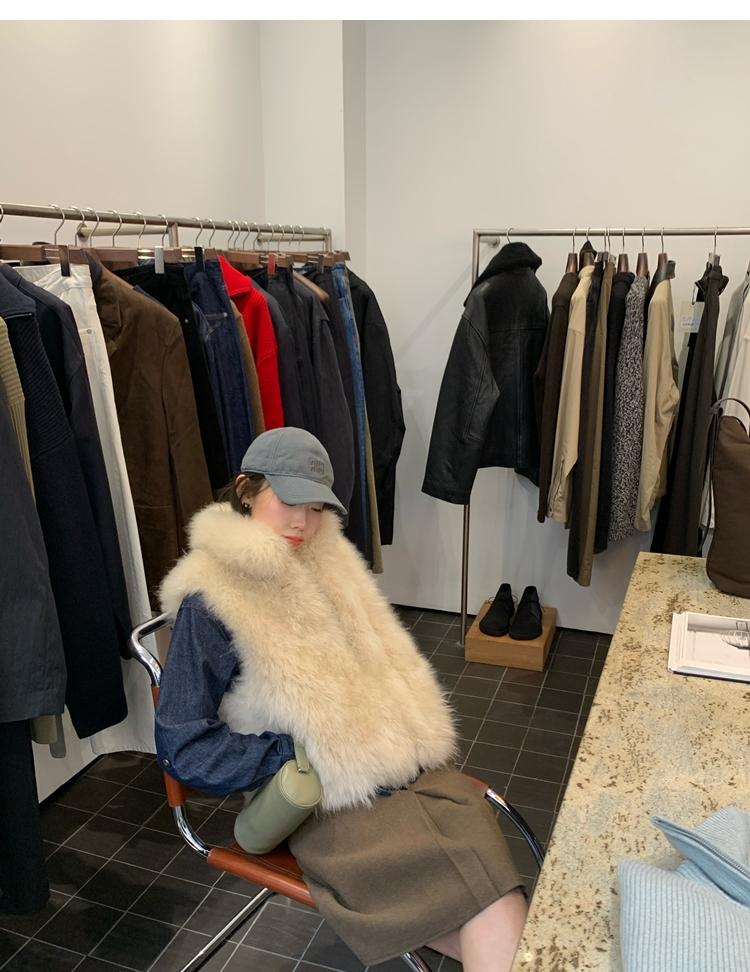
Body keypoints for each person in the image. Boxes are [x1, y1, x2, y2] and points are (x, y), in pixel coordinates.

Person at [155, 426, 527, 971]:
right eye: (288, 501)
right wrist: (292, 752)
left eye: (314, 507)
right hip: (327, 806)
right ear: (246, 489)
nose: (302, 523)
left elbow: (381, 665)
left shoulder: (328, 559)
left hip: (403, 771)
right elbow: (182, 746)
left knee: (491, 892)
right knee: (493, 904)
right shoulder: (213, 598)